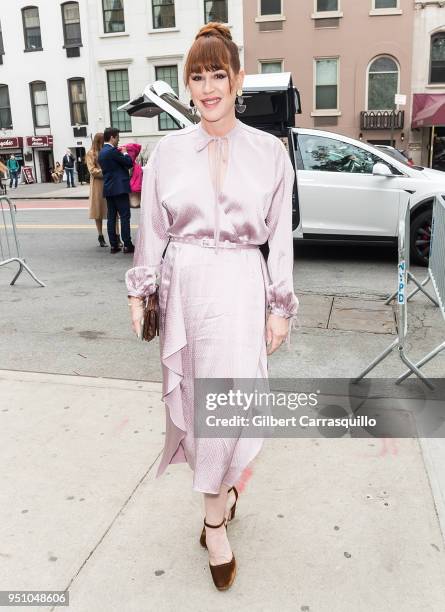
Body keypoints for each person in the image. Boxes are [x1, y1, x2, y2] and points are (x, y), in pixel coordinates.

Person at [126, 22, 298, 591]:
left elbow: (280, 239)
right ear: (189, 85)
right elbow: (150, 231)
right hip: (187, 289)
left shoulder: (269, 152)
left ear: (237, 79)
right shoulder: (168, 153)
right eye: (196, 77)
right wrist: (140, 290)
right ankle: (213, 521)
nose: (206, 87)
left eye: (216, 74)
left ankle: (221, 494)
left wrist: (280, 306)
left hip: (244, 287)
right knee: (202, 405)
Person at [98, 127, 134, 254]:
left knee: (111, 217)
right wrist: (124, 152)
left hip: (109, 188)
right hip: (120, 188)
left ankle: (114, 245)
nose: (118, 140)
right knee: (124, 216)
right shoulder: (113, 151)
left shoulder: (102, 152)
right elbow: (129, 163)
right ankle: (127, 244)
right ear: (112, 137)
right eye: (117, 137)